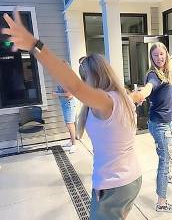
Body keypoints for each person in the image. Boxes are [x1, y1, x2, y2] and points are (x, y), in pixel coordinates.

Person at [2, 11, 142, 220]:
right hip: (130, 179)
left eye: (84, 76)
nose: (83, 81)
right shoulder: (123, 97)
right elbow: (140, 94)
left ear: (95, 76)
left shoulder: (106, 101)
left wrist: (35, 45)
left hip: (114, 185)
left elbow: (74, 87)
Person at [132, 42, 172, 213]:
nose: (159, 58)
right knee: (165, 161)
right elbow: (149, 87)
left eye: (162, 54)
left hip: (168, 121)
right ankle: (161, 203)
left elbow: (170, 60)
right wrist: (140, 95)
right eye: (155, 55)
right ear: (151, 58)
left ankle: (166, 172)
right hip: (160, 124)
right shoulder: (154, 75)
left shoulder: (165, 70)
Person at [52, 84, 77, 153]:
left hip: (69, 104)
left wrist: (57, 94)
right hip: (65, 104)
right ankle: (71, 141)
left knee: (70, 124)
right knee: (68, 124)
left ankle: (74, 144)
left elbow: (69, 94)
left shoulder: (64, 80)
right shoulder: (60, 80)